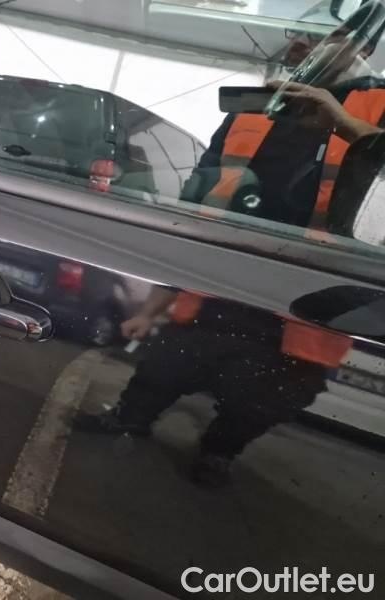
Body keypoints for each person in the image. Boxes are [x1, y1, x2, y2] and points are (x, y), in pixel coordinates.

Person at [73, 8, 385, 486]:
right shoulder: (258, 103)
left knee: (265, 398)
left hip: (307, 298)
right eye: (299, 31)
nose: (304, 41)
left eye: (325, 35)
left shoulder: (378, 105)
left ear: (361, 47)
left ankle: (219, 452)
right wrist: (158, 301)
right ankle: (129, 418)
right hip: (221, 280)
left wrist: (342, 121)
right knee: (164, 366)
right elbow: (200, 192)